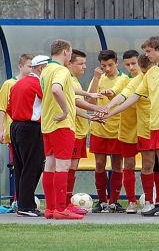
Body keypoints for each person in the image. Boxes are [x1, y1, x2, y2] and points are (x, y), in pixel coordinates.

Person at [101, 36, 159, 217]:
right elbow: (133, 97)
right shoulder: (150, 73)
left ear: (158, 49)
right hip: (154, 124)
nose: (146, 55)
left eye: (148, 51)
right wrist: (110, 111)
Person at [41, 39, 84, 220]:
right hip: (62, 124)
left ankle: (50, 208)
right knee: (63, 166)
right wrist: (66, 110)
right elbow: (57, 90)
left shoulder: (46, 70)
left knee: (50, 165)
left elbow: (61, 89)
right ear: (66, 52)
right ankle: (60, 209)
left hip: (47, 124)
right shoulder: (61, 70)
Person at [6, 55, 50, 217]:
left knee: (21, 166)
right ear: (41, 69)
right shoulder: (38, 83)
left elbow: (9, 107)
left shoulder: (18, 83)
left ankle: (23, 203)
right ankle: (26, 205)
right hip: (31, 127)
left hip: (16, 126)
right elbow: (50, 103)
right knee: (33, 165)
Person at [65, 49, 105, 215]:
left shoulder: (74, 80)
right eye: (80, 63)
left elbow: (73, 107)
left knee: (72, 167)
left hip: (80, 132)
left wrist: (90, 117)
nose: (84, 67)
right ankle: (63, 203)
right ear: (69, 64)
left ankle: (66, 203)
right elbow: (75, 104)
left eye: (84, 63)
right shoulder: (68, 80)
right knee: (66, 167)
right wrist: (96, 108)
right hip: (71, 132)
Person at [100, 50, 140, 214]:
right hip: (127, 128)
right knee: (128, 164)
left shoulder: (149, 76)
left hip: (148, 127)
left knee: (156, 164)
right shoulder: (125, 80)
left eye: (134, 63)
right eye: (128, 64)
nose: (131, 67)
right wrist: (108, 105)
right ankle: (131, 201)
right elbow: (120, 93)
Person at [88, 50, 127, 213]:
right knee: (99, 164)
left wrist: (111, 94)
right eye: (104, 66)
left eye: (110, 65)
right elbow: (90, 100)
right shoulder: (99, 78)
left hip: (117, 128)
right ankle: (102, 200)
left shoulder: (124, 79)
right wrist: (96, 78)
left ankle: (114, 201)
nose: (107, 68)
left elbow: (120, 93)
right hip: (99, 127)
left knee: (118, 164)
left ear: (116, 63)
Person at [0, 54, 34, 164]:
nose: (32, 69)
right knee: (17, 162)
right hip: (13, 129)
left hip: (30, 129)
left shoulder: (35, 84)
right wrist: (1, 130)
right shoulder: (9, 84)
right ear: (20, 66)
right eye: (29, 66)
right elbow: (2, 107)